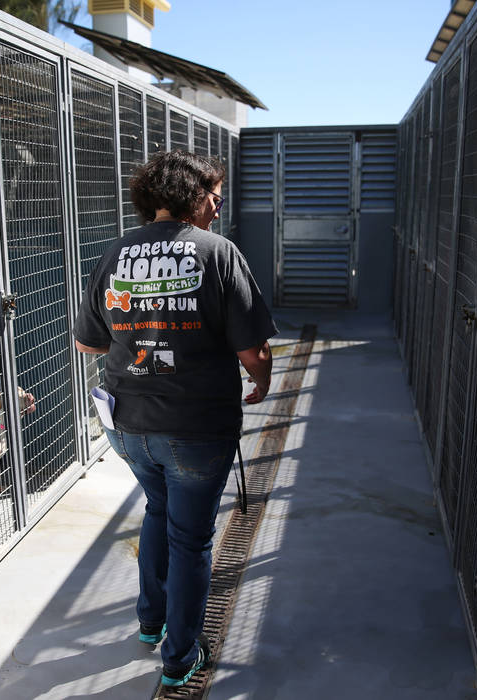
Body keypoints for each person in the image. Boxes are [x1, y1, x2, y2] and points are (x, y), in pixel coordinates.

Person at [73, 150, 277, 688]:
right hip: (195, 427)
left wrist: (141, 330)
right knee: (192, 539)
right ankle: (179, 655)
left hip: (127, 425)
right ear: (190, 196)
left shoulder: (114, 254)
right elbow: (252, 348)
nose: (218, 204)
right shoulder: (218, 253)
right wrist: (262, 380)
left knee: (158, 508)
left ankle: (150, 621)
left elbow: (85, 342)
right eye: (213, 194)